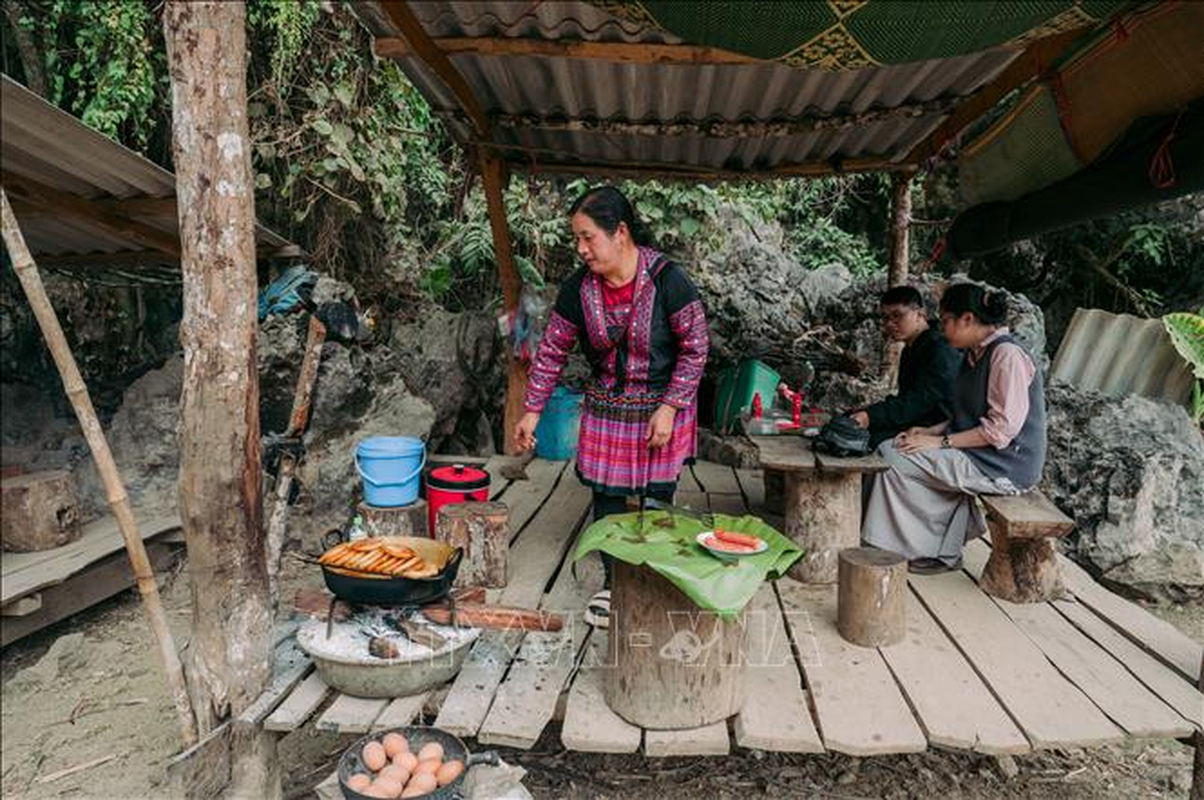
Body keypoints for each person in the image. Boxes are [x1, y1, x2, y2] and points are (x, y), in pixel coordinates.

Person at [513, 186, 709, 626]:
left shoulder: (668, 280)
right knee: (608, 497)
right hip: (607, 407)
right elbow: (551, 352)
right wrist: (532, 410)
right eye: (576, 239)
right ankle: (615, 584)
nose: (581, 249)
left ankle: (656, 577)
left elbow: (696, 348)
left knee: (658, 497)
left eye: (588, 237)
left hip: (662, 405)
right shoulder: (577, 290)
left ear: (620, 232)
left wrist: (672, 406)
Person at [861, 283, 1046, 574]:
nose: (942, 328)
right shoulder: (974, 353)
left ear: (968, 319)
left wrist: (942, 443)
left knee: (891, 457)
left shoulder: (1006, 355)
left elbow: (1001, 431)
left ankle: (925, 550)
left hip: (1005, 465)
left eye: (946, 320)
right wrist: (929, 432)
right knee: (896, 448)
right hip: (979, 453)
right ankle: (932, 547)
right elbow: (967, 415)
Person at [849, 286, 960, 448]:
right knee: (850, 423)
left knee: (868, 441)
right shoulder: (911, 348)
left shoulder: (939, 348)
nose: (890, 324)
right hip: (917, 418)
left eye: (897, 316)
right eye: (886, 318)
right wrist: (868, 411)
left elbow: (920, 401)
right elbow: (907, 398)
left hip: (937, 428)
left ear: (920, 314)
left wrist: (871, 416)